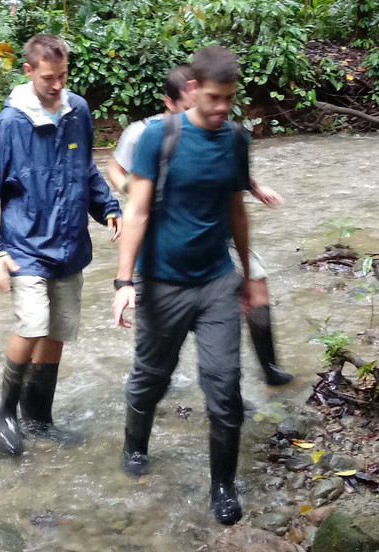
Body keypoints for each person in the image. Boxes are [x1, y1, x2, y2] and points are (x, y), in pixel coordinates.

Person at [112, 45, 256, 526]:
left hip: (217, 282)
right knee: (151, 377)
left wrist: (249, 277)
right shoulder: (159, 137)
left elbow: (236, 207)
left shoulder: (236, 140)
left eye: (229, 100)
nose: (221, 109)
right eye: (214, 98)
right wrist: (123, 280)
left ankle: (223, 486)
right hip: (163, 284)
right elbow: (136, 210)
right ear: (192, 89)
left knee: (225, 385)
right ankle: (135, 444)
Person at [0, 34, 122, 456]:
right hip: (24, 246)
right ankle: (7, 415)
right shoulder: (10, 124)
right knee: (32, 324)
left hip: (69, 243)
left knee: (57, 330)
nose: (57, 85)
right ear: (29, 71)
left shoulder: (78, 111)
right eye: (48, 77)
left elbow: (84, 167)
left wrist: (108, 206)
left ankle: (39, 417)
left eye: (63, 76)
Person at [107, 64, 294, 386]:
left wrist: (253, 186)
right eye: (186, 109)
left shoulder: (220, 128)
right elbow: (114, 168)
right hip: (169, 232)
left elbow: (222, 163)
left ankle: (269, 368)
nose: (199, 115)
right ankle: (157, 383)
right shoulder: (145, 133)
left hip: (218, 224)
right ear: (170, 103)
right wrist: (135, 193)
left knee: (257, 285)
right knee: (169, 316)